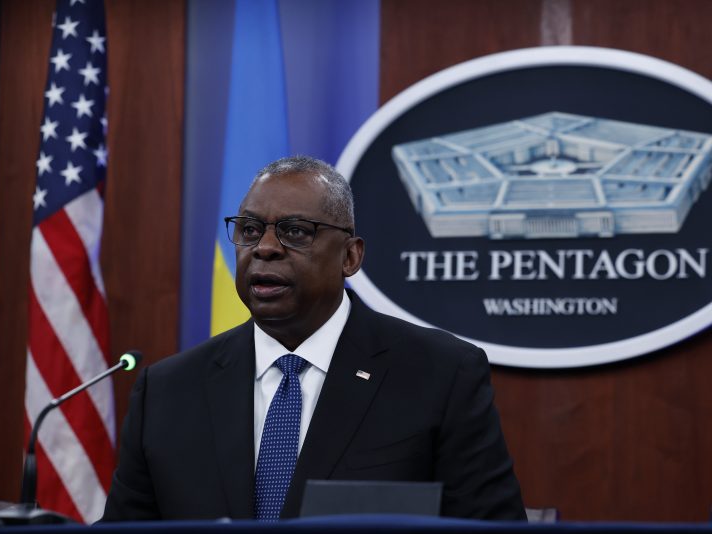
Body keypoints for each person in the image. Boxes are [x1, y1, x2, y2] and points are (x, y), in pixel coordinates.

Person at [102, 156, 526, 521]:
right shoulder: (169, 390)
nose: (265, 248)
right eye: (250, 230)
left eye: (296, 231)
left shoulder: (440, 374)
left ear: (350, 256)